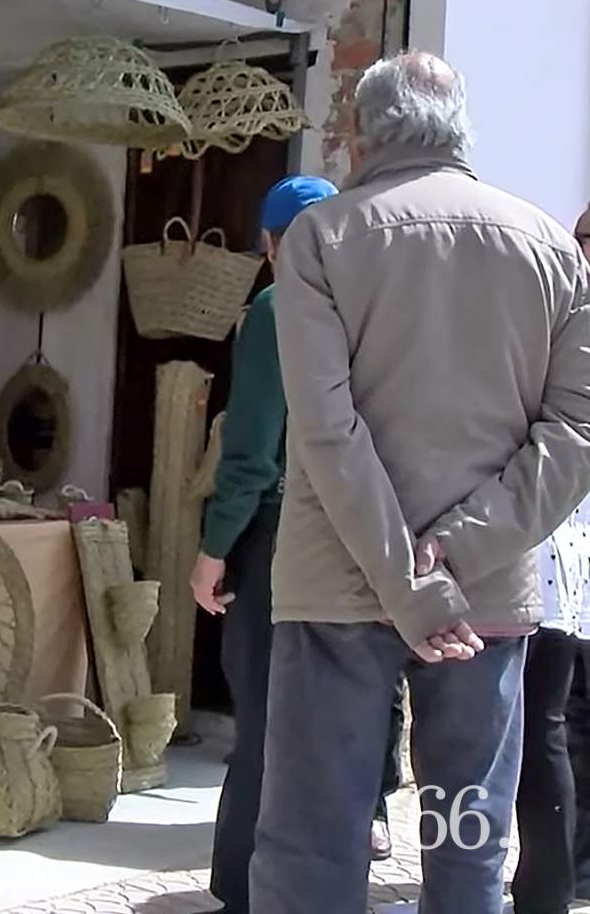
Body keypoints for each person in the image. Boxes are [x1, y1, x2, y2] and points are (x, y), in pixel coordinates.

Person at [250, 51, 590, 912]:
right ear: (460, 126)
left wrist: (408, 581)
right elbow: (574, 434)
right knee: (466, 844)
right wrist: (454, 552)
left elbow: (326, 433)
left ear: (360, 133)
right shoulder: (551, 248)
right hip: (487, 594)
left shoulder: (322, 239)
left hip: (336, 585)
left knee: (315, 844)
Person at [190, 175, 408, 914]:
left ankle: (242, 886)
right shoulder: (376, 306)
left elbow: (252, 448)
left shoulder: (279, 306)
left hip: (282, 528)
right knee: (347, 711)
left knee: (263, 712)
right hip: (366, 528)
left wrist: (214, 546)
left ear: (268, 243)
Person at [515, 491, 590, 914]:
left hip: (539, 587)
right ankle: (558, 885)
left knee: (539, 738)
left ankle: (546, 891)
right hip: (565, 590)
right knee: (553, 736)